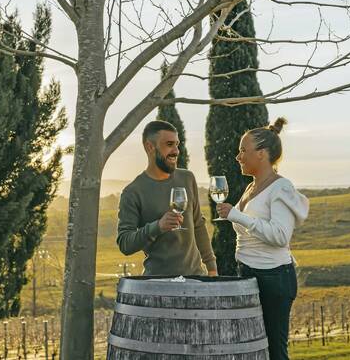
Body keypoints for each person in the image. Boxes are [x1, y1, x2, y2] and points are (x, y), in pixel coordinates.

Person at [216, 117, 309, 360]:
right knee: (252, 349)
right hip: (248, 273)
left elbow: (280, 236)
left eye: (243, 151)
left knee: (275, 351)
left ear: (262, 153)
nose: (238, 157)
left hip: (274, 278)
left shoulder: (281, 187)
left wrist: (237, 215)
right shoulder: (252, 187)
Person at [117, 120, 217, 276]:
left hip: (196, 280)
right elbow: (125, 243)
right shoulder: (133, 192)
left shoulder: (187, 178)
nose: (176, 151)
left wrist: (211, 267)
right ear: (150, 147)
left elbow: (198, 225)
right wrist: (157, 227)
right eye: (169, 144)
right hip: (158, 285)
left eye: (177, 144)